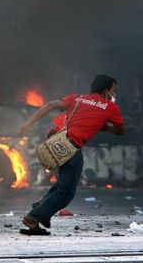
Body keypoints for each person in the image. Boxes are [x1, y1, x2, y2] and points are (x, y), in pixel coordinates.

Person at [17, 75, 126, 235]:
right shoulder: (109, 107)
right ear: (106, 90)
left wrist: (27, 125)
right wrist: (104, 126)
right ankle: (35, 216)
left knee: (61, 185)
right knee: (66, 192)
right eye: (114, 90)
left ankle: (41, 209)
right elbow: (121, 131)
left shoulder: (77, 98)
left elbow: (51, 105)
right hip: (71, 148)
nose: (115, 94)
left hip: (56, 142)